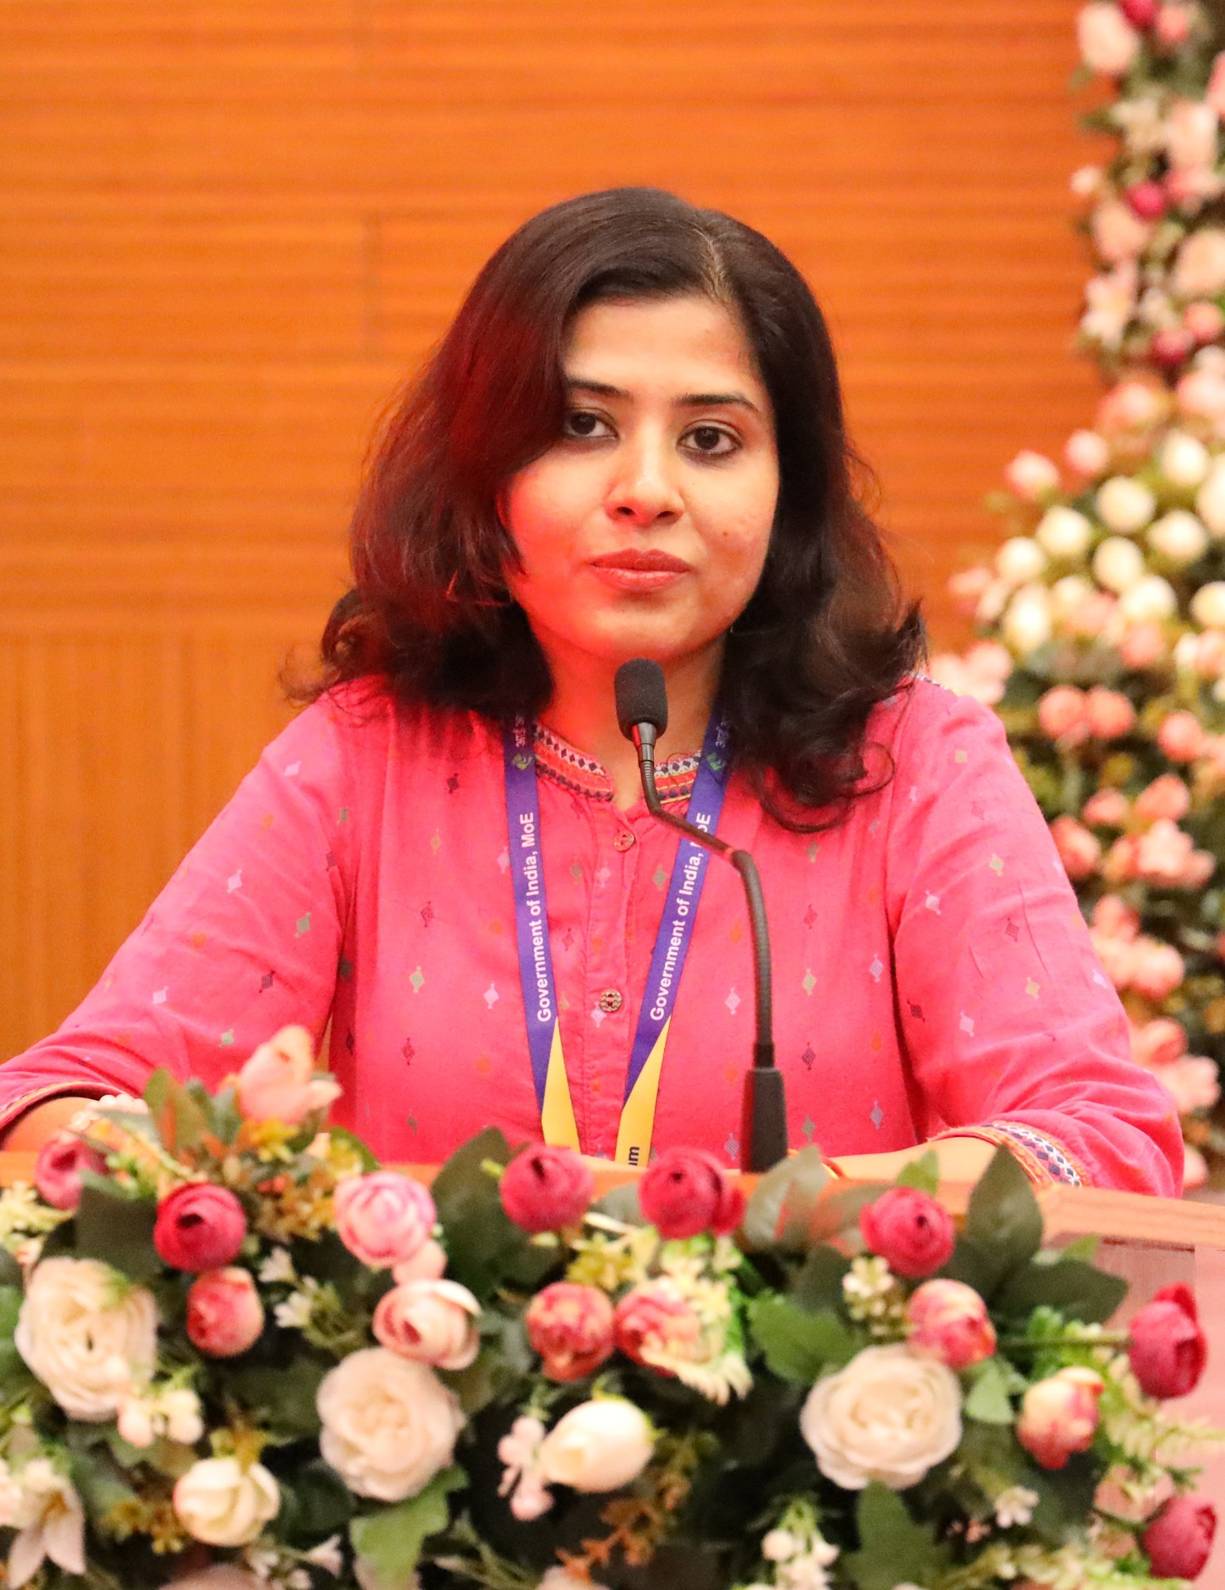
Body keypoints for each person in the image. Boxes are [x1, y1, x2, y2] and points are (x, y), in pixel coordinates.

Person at [0, 188, 1182, 1194]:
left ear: (789, 488)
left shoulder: (911, 761)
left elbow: (1103, 1142)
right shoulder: (367, 756)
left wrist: (779, 1219)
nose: (645, 490)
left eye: (711, 439)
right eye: (580, 425)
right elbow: (57, 1103)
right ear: (486, 469)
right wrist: (242, 1194)